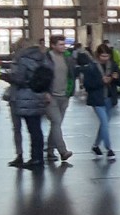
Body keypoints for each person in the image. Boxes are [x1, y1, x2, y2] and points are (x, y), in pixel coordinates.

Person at [6, 38, 52, 169]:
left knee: (25, 128)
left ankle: (33, 158)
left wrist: (9, 76)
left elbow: (19, 78)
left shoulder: (23, 60)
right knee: (36, 129)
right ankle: (38, 157)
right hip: (39, 95)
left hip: (24, 96)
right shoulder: (43, 58)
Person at [77, 46, 118, 159]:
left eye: (107, 56)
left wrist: (116, 78)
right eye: (103, 56)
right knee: (104, 123)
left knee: (104, 124)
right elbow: (87, 85)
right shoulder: (91, 67)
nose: (105, 58)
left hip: (110, 98)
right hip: (97, 100)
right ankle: (109, 148)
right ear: (98, 55)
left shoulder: (113, 65)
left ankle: (95, 146)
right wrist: (101, 82)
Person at [43, 34, 76, 165]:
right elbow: (43, 75)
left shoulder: (67, 58)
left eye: (64, 44)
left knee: (56, 124)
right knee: (56, 121)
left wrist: (70, 91)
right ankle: (63, 151)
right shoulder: (47, 59)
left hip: (64, 95)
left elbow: (71, 75)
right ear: (53, 45)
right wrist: (45, 91)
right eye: (61, 44)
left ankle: (50, 151)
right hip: (51, 96)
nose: (64, 47)